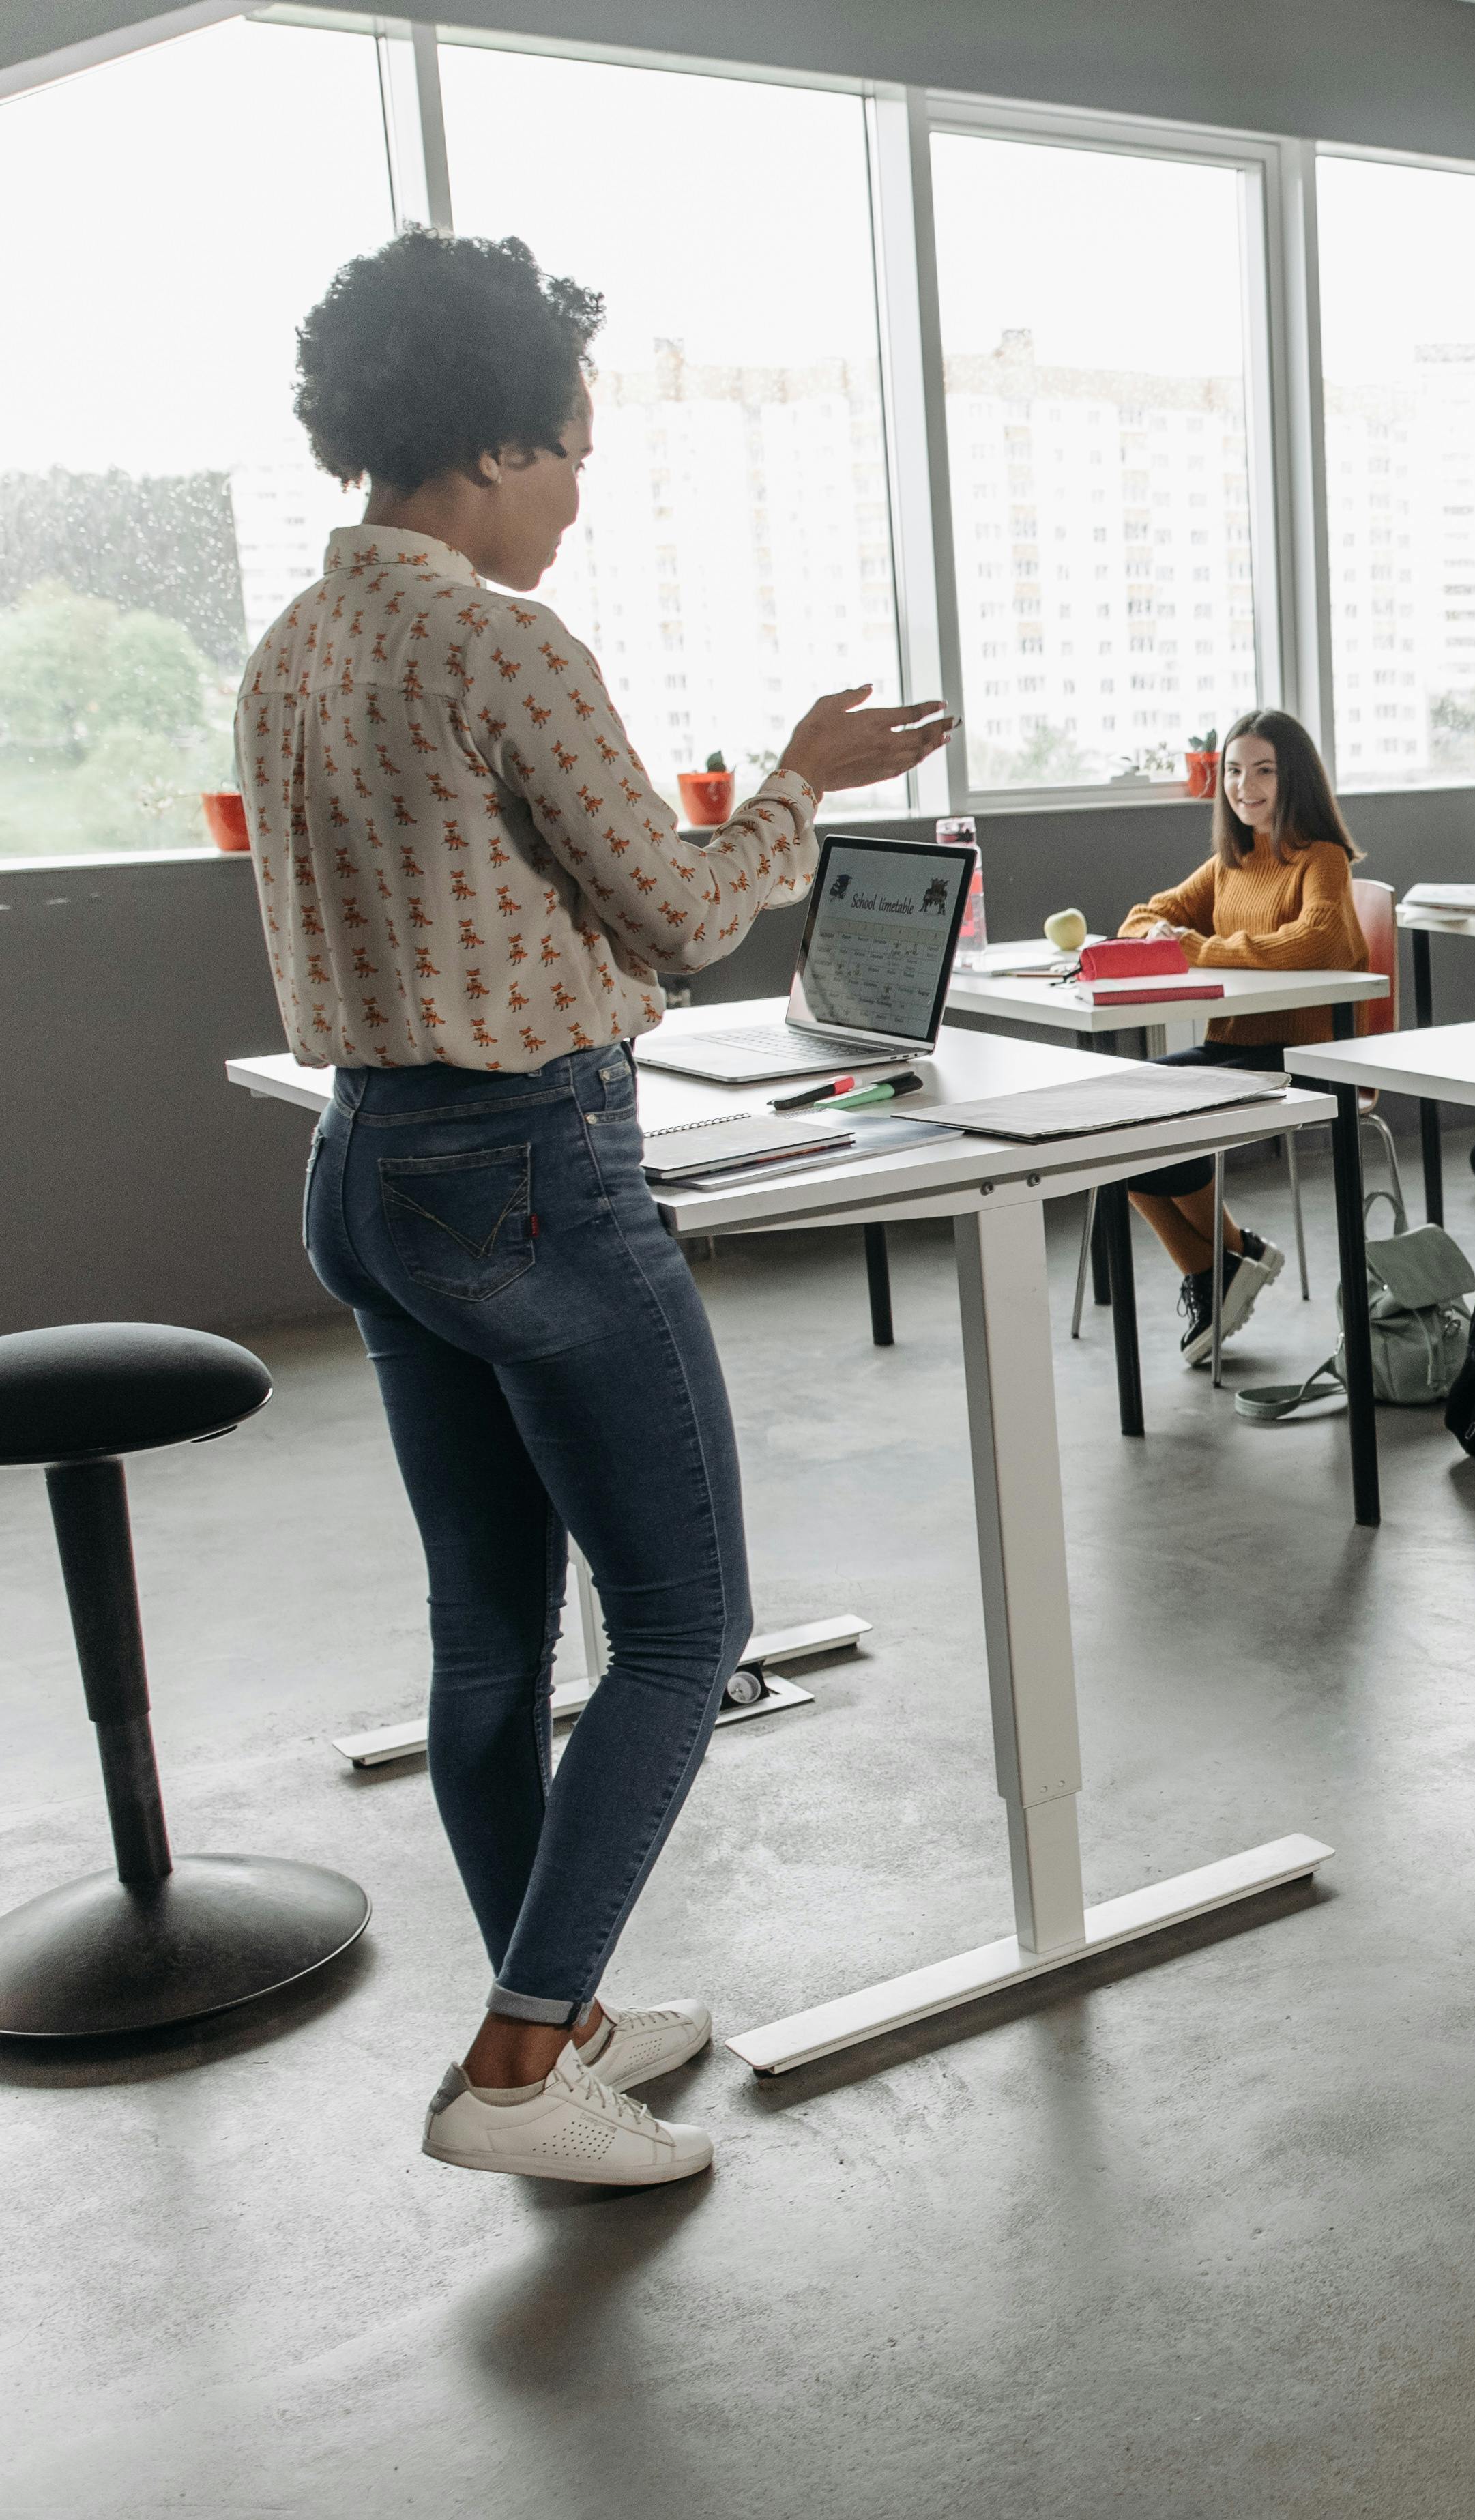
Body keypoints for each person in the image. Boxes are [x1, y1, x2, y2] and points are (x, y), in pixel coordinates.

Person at [250, 229, 950, 2183]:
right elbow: (688, 908)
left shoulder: (294, 644)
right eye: (565, 448)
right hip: (536, 1168)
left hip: (367, 1165)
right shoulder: (498, 638)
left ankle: (539, 2010)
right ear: (481, 447)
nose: (575, 487)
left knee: (487, 1635)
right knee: (678, 1623)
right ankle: (516, 2065)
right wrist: (801, 784)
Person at [1107, 708, 1367, 1363]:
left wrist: (1202, 947)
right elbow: (1143, 914)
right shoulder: (1230, 862)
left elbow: (1319, 939)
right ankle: (1219, 1261)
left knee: (1163, 1120)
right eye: (1232, 770)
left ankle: (1220, 1265)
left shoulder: (1321, 858)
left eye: (1264, 771)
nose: (1244, 786)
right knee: (1111, 1117)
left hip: (1307, 1055)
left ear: (1294, 778)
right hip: (1232, 1048)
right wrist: (1161, 938)